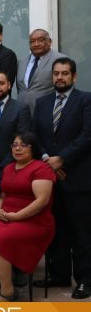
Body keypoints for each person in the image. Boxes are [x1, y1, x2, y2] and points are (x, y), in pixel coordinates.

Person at [33, 57, 91, 299]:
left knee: (81, 232)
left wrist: (62, 159)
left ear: (74, 76)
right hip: (51, 179)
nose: (60, 77)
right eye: (56, 73)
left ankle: (85, 280)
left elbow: (87, 135)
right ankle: (58, 274)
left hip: (78, 177)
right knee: (55, 229)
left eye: (65, 73)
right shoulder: (42, 102)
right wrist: (49, 160)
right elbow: (36, 135)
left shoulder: (85, 100)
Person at [0, 132, 55, 301]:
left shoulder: (41, 168)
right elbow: (3, 195)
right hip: (6, 215)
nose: (18, 149)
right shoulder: (9, 168)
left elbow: (42, 201)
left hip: (35, 219)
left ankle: (7, 291)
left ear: (33, 148)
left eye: (24, 145)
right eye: (15, 145)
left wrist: (16, 217)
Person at [16, 29, 67, 115]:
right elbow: (20, 89)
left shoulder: (61, 60)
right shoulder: (21, 62)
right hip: (22, 114)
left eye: (41, 40)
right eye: (32, 41)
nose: (36, 44)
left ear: (49, 42)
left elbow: (65, 90)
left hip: (48, 113)